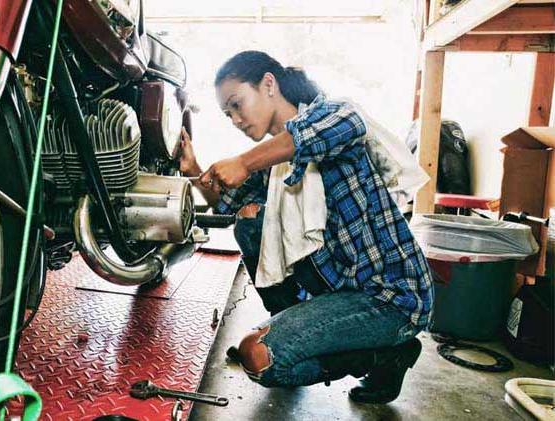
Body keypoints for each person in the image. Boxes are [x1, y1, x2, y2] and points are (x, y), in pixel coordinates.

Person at [177, 50, 433, 404]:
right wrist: (192, 169)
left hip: (391, 297)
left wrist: (244, 162)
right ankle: (285, 324)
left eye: (237, 104)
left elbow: (344, 125)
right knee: (249, 222)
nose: (235, 119)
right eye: (227, 114)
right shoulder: (273, 165)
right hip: (336, 294)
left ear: (269, 84)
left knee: (259, 357)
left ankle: (388, 355)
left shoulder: (332, 114)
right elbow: (226, 207)